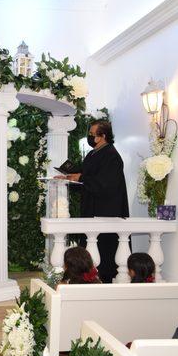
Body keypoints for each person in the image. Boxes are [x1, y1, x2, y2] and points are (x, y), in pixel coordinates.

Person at [61, 120, 129, 283]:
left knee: (105, 252)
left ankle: (103, 280)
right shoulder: (93, 154)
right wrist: (71, 178)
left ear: (103, 136)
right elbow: (87, 179)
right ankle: (84, 278)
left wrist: (81, 178)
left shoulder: (112, 156)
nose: (89, 137)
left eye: (92, 135)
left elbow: (105, 184)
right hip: (91, 209)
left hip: (106, 212)